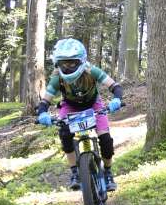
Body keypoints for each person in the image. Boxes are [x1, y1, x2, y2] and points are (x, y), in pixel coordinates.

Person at [36, 38, 124, 191]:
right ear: (58, 64)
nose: (68, 67)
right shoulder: (57, 78)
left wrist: (116, 99)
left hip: (94, 104)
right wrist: (42, 113)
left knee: (105, 139)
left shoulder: (92, 71)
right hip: (70, 106)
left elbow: (114, 86)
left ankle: (108, 172)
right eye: (64, 63)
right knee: (65, 135)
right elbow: (45, 100)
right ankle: (75, 173)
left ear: (81, 61)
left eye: (72, 63)